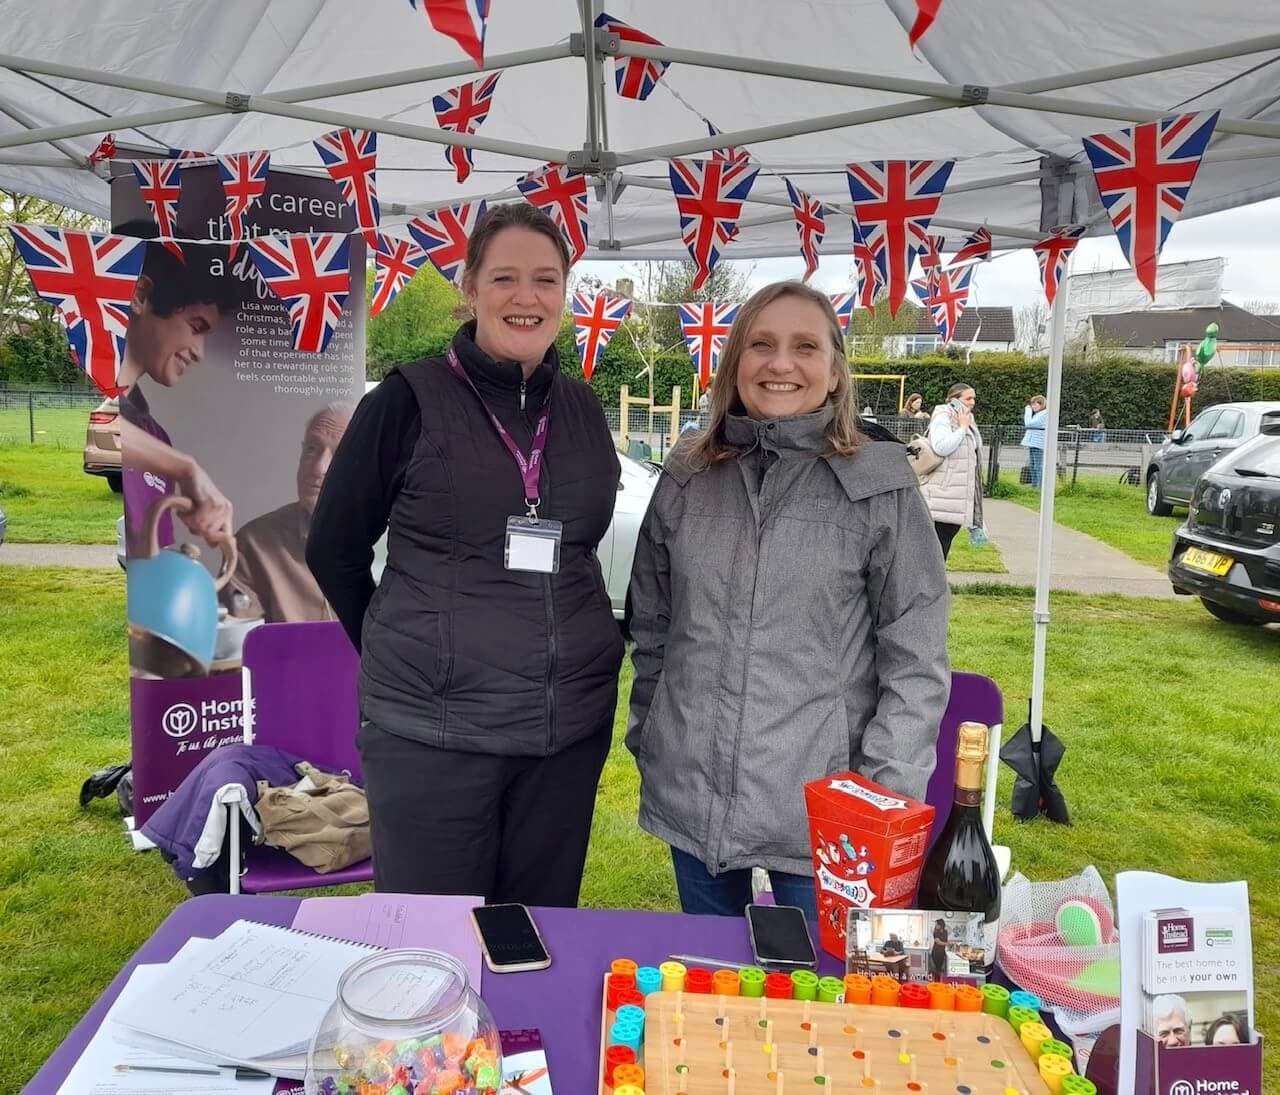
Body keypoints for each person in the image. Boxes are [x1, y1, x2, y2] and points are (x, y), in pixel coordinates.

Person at [307, 202, 623, 906]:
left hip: (563, 736)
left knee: (534, 938)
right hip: (434, 738)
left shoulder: (581, 408)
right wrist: (408, 651)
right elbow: (333, 547)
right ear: (470, 285)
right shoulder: (408, 399)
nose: (526, 296)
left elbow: (582, 550)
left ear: (564, 294)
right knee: (433, 948)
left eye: (546, 279)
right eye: (505, 276)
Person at [627, 281, 950, 920]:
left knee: (819, 1005)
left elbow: (915, 658)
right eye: (761, 344)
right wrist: (653, 734)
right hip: (694, 790)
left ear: (834, 372)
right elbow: (654, 627)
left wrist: (880, 797)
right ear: (734, 364)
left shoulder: (879, 485)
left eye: (805, 346)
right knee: (715, 991)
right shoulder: (688, 475)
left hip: (827, 813)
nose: (781, 364)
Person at [115, 227, 238, 555]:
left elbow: (151, 562)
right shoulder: (83, 378)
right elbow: (95, 431)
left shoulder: (155, 437)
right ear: (140, 296)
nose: (200, 352)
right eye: (196, 327)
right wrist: (185, 468)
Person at [224, 403, 353, 623]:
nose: (318, 468)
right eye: (312, 449)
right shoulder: (254, 544)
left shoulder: (403, 541)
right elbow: (237, 649)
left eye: (339, 453)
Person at [918, 382, 984, 560]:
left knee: (941, 547)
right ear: (954, 400)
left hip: (955, 496)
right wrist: (962, 428)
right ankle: (932, 586)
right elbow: (941, 447)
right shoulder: (944, 416)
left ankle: (933, 585)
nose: (972, 402)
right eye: (968, 398)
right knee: (936, 549)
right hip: (942, 495)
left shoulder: (966, 418)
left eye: (974, 398)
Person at [1020, 395, 1048, 488]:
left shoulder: (1044, 414)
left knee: (1038, 466)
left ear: (1041, 404)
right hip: (1033, 443)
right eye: (1032, 405)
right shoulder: (1038, 414)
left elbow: (1029, 424)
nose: (1033, 407)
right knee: (1032, 466)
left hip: (1038, 444)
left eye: (1035, 404)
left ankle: (1039, 487)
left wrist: (1027, 411)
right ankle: (1035, 486)